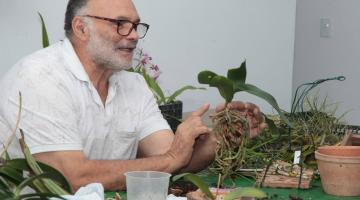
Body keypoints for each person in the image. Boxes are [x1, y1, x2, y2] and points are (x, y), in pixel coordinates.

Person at [0, 0, 266, 192]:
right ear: (81, 28)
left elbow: (174, 159)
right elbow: (69, 177)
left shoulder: (134, 85)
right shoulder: (39, 78)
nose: (135, 35)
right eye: (121, 24)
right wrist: (171, 158)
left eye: (137, 26)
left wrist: (223, 136)